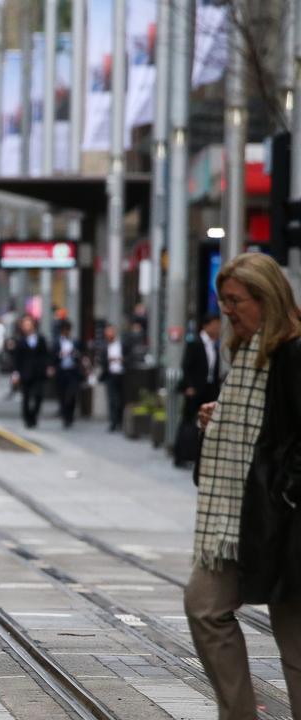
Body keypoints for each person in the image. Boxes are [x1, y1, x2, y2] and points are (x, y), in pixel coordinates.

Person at [185, 252, 301, 719]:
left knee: (294, 640)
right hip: (239, 518)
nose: (227, 311)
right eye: (223, 300)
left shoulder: (292, 351)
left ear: (265, 298)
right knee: (204, 605)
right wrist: (218, 419)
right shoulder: (247, 352)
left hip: (284, 519)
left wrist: (285, 490)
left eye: (235, 300)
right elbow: (254, 428)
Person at [174, 314, 222, 468]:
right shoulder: (195, 342)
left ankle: (198, 456)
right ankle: (180, 456)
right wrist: (188, 386)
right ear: (206, 326)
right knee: (188, 421)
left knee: (206, 422)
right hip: (194, 389)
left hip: (209, 389)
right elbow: (186, 366)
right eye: (215, 324)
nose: (217, 328)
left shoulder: (215, 345)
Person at [12, 315, 51, 429]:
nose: (27, 327)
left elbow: (46, 355)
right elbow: (17, 359)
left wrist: (48, 367)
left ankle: (34, 416)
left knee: (39, 396)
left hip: (38, 372)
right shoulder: (20, 341)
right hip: (25, 373)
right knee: (26, 397)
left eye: (29, 324)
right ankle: (27, 418)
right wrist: (16, 373)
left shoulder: (41, 339)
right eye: (25, 325)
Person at [53, 321, 87, 429]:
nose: (66, 332)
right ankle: (64, 416)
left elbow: (81, 355)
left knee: (71, 395)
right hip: (61, 372)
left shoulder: (75, 342)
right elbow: (52, 357)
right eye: (64, 330)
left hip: (73, 372)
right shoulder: (56, 342)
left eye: (67, 330)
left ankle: (70, 416)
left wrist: (75, 354)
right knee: (62, 395)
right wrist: (60, 355)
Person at [97, 324, 126, 432]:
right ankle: (113, 422)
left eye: (110, 332)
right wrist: (109, 360)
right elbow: (101, 360)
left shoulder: (121, 344)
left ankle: (120, 421)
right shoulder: (104, 346)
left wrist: (122, 359)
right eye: (107, 333)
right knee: (112, 400)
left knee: (120, 399)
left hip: (121, 374)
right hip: (110, 375)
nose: (109, 335)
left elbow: (129, 356)